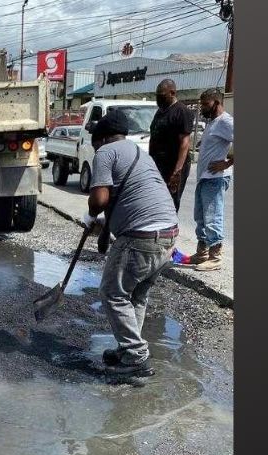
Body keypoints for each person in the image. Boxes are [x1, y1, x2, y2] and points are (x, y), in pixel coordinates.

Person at [81, 109, 179, 380]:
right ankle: (128, 348)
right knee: (136, 295)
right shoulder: (137, 153)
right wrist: (103, 230)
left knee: (112, 293)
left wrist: (90, 216)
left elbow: (100, 200)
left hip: (142, 238)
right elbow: (122, 200)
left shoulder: (105, 152)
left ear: (101, 137)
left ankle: (135, 355)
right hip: (168, 235)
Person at [189, 89, 234, 271]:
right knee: (200, 217)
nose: (203, 109)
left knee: (212, 216)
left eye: (206, 105)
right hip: (204, 178)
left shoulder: (225, 121)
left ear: (216, 103)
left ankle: (215, 257)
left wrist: (228, 163)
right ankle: (202, 253)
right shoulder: (212, 122)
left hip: (215, 179)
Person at [149, 79, 195, 212]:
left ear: (172, 92)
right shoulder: (160, 112)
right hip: (158, 164)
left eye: (161, 95)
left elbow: (185, 143)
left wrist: (177, 171)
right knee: (156, 199)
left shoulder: (182, 111)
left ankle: (169, 230)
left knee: (170, 201)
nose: (158, 98)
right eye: (157, 95)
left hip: (173, 167)